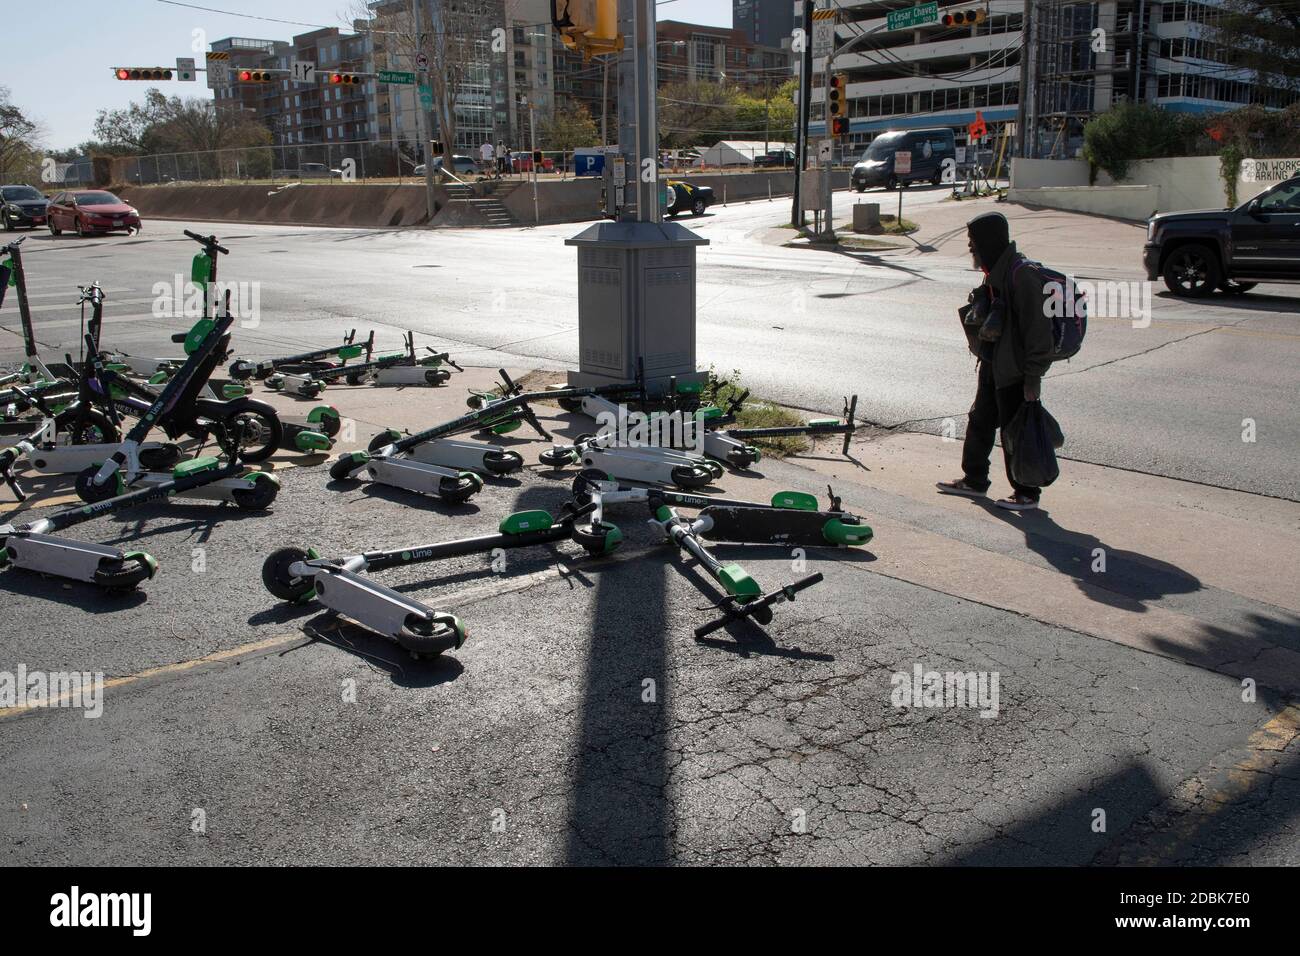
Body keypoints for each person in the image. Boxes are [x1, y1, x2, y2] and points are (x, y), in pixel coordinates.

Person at [937, 211, 1054, 512]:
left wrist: (1033, 377)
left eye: (973, 241)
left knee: (1016, 431)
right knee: (981, 420)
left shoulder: (1021, 275)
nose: (971, 247)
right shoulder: (995, 272)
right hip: (993, 363)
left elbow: (1038, 333)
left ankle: (1027, 491)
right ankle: (974, 479)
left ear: (989, 241)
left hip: (1014, 371)